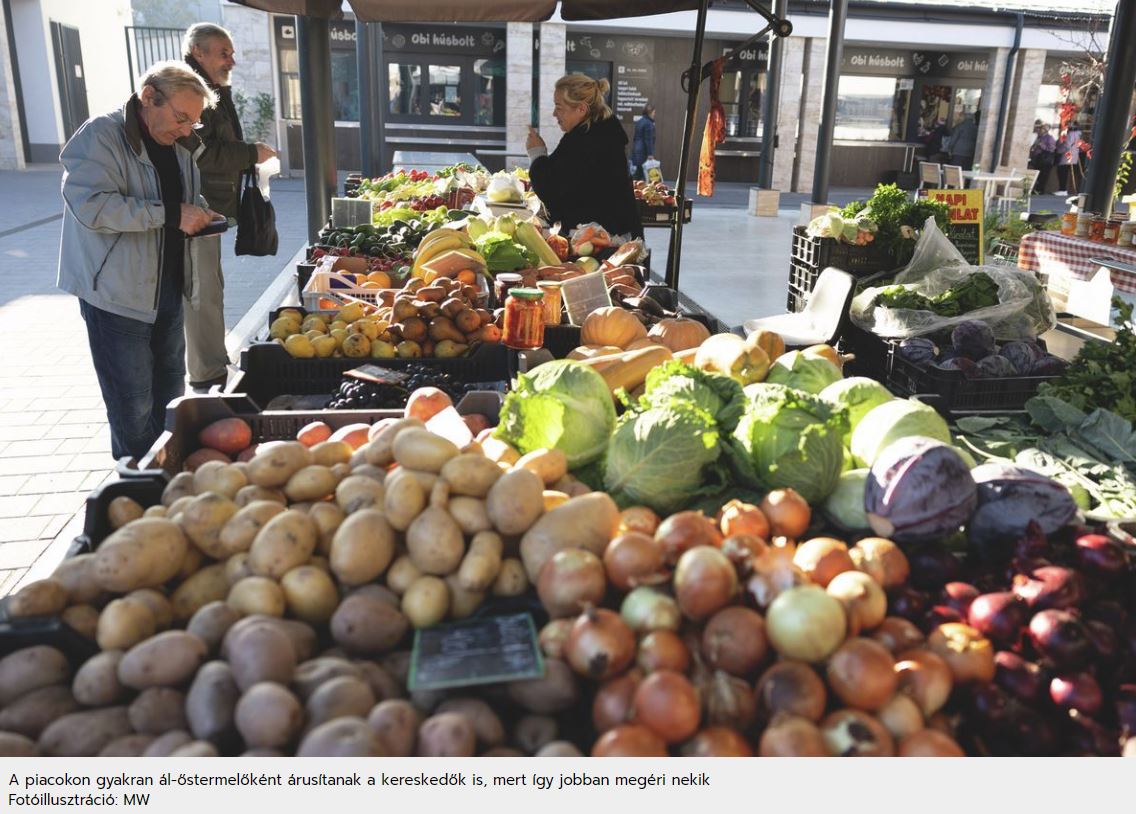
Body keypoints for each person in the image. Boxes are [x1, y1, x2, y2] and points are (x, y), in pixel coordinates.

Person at [58, 62, 221, 461]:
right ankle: (136, 483)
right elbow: (92, 206)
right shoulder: (101, 135)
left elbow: (176, 198)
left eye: (194, 122)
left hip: (168, 290)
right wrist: (172, 214)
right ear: (149, 97)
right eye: (181, 118)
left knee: (171, 398)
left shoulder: (178, 143)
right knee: (132, 407)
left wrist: (200, 212)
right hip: (117, 296)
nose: (186, 129)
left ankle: (168, 475)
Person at [182, 23, 277, 390]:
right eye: (224, 53)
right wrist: (250, 152)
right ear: (198, 51)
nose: (231, 61)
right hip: (197, 205)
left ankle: (212, 362)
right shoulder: (191, 90)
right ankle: (208, 371)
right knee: (202, 289)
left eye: (232, 53)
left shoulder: (210, 86)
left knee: (209, 285)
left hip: (208, 207)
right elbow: (203, 153)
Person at [526, 74, 642, 238]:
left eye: (559, 107)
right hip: (610, 234)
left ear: (581, 109)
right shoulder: (599, 133)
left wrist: (537, 154)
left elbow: (551, 190)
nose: (554, 113)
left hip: (606, 241)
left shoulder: (587, 141)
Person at [1029, 123, 1058, 194]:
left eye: (1043, 128)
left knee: (1043, 176)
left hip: (1045, 160)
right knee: (1037, 175)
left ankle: (1039, 190)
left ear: (1046, 130)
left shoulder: (1049, 138)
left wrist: (1041, 145)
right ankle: (1035, 189)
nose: (1040, 130)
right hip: (1037, 159)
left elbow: (1052, 149)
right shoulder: (1039, 137)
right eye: (1041, 128)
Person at [630, 103, 656, 181]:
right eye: (654, 112)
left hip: (637, 151)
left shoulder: (640, 122)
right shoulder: (648, 124)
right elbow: (648, 139)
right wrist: (650, 154)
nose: (654, 114)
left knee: (639, 172)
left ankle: (632, 185)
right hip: (643, 152)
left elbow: (635, 138)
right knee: (642, 174)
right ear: (650, 112)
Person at [1056, 122, 1083, 196]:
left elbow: (1067, 145)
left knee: (1062, 172)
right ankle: (1070, 189)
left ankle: (1062, 189)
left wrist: (1059, 150)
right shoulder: (1079, 134)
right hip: (1074, 155)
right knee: (1069, 173)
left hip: (1067, 156)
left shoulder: (1071, 134)